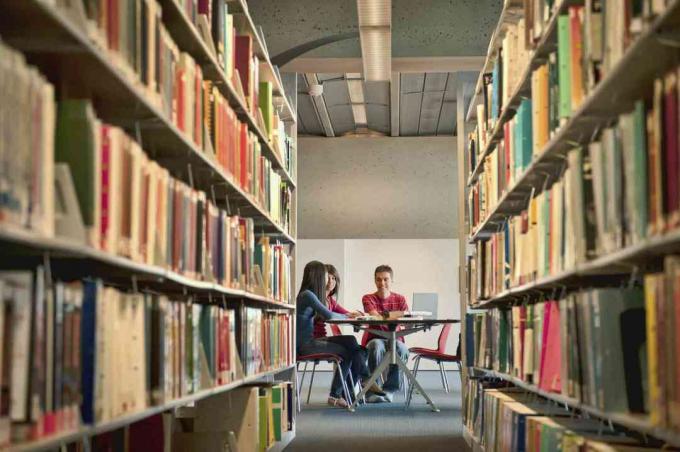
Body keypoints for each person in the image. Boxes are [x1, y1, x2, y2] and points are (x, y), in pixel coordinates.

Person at [297, 261, 383, 408]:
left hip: (311, 342)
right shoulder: (307, 295)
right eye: (326, 276)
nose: (328, 280)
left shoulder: (311, 295)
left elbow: (334, 313)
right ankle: (339, 393)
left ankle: (356, 385)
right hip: (305, 346)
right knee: (348, 351)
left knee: (354, 345)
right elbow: (329, 316)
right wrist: (349, 317)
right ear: (317, 276)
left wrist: (353, 316)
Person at [361, 264, 409, 403]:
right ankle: (372, 391)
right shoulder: (368, 298)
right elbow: (375, 316)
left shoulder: (400, 299)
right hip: (375, 338)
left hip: (395, 338)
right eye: (378, 279)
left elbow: (407, 319)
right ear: (375, 280)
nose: (382, 283)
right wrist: (398, 314)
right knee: (376, 346)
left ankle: (389, 390)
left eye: (386, 279)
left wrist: (387, 315)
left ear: (391, 280)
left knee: (401, 349)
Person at [313, 264, 360, 339]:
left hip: (322, 337)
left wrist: (357, 314)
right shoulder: (315, 298)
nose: (330, 281)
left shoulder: (330, 300)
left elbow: (346, 314)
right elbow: (332, 315)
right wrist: (349, 315)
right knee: (351, 341)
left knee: (351, 341)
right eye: (327, 278)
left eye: (333, 278)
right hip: (314, 339)